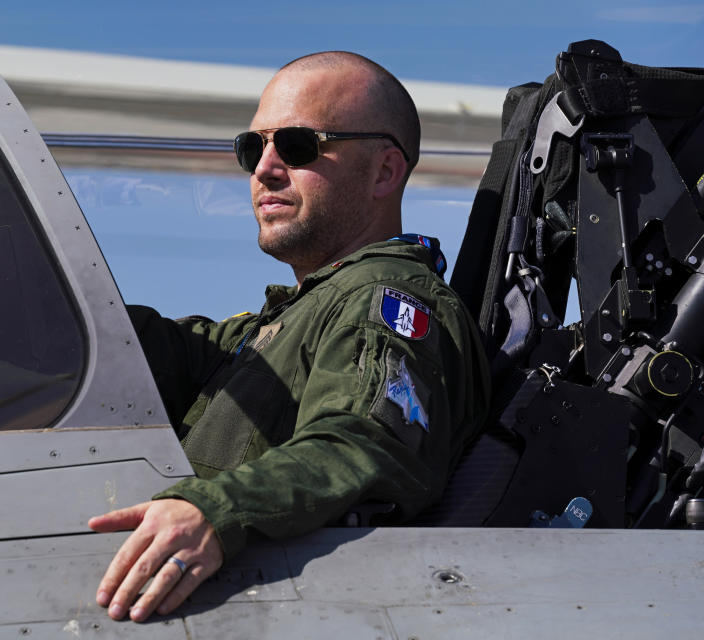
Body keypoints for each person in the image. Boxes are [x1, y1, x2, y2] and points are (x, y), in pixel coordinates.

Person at [88, 51, 491, 622]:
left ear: (384, 172)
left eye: (299, 146)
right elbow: (111, 342)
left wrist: (215, 512)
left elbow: (366, 442)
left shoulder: (384, 298)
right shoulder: (282, 324)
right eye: (253, 148)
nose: (264, 169)